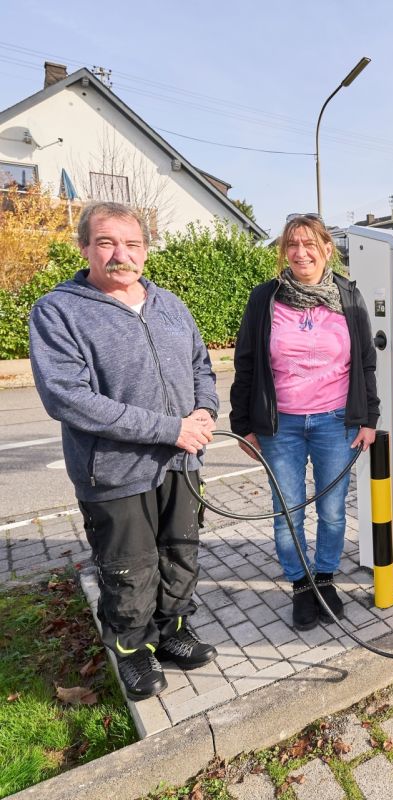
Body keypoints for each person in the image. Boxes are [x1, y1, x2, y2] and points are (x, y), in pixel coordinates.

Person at [29, 202, 219, 701]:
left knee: (180, 553)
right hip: (113, 472)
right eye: (108, 243)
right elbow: (69, 399)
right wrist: (171, 428)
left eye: (133, 244)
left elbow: (202, 365)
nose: (122, 255)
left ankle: (173, 629)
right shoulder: (59, 310)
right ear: (85, 247)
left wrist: (205, 413)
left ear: (146, 251)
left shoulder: (169, 304)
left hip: (182, 463)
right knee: (127, 568)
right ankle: (133, 652)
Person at [230, 214, 379, 631]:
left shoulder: (348, 296)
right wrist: (243, 424)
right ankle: (299, 584)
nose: (301, 253)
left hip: (337, 421)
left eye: (310, 244)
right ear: (284, 251)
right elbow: (245, 363)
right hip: (282, 426)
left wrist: (370, 418)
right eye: (293, 245)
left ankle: (326, 577)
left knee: (333, 513)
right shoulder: (265, 299)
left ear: (327, 249)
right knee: (288, 512)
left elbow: (365, 361)